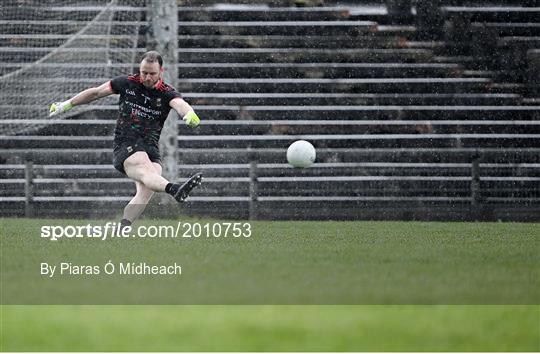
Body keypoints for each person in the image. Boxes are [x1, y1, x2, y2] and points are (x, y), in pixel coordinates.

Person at [49, 51, 203, 228]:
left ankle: (123, 228)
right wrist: (66, 104)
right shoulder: (127, 83)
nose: (146, 77)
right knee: (148, 173)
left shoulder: (167, 93)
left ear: (161, 71)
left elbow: (180, 105)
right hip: (126, 144)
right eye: (144, 72)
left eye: (152, 73)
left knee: (146, 190)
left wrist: (190, 113)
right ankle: (175, 190)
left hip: (151, 148)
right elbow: (96, 92)